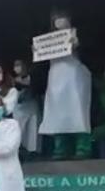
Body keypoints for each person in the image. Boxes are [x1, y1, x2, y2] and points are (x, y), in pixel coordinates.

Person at [38, 11, 93, 159]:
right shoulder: (48, 39)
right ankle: (60, 148)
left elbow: (90, 51)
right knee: (57, 113)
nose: (59, 21)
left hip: (74, 75)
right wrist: (37, 51)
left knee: (78, 112)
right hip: (55, 76)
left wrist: (77, 43)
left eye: (62, 18)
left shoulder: (77, 33)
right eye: (56, 19)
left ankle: (83, 147)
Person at [12, 60, 41, 155]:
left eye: (20, 65)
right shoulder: (12, 80)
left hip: (31, 106)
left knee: (33, 128)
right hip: (19, 109)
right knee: (19, 130)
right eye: (16, 65)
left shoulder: (33, 78)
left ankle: (34, 151)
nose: (18, 67)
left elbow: (36, 90)